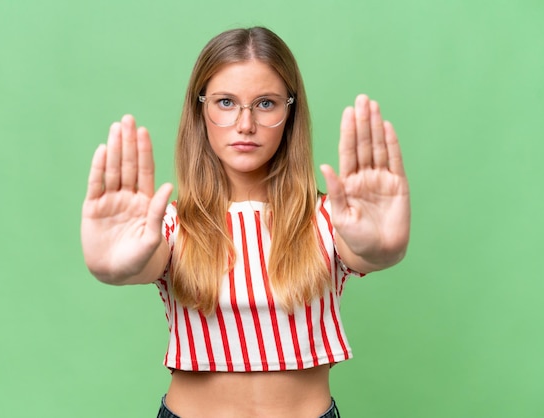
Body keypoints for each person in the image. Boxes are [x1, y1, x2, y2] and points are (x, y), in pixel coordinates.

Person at [81, 26, 410, 418]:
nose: (245, 124)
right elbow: (139, 262)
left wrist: (382, 247)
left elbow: (364, 250)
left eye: (266, 103)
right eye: (225, 102)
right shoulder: (166, 226)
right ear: (200, 109)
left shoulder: (332, 218)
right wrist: (113, 266)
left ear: (290, 112)